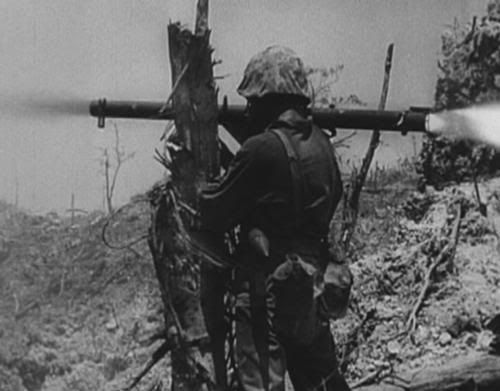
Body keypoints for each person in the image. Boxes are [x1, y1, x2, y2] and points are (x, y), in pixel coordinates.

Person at [199, 46, 350, 391]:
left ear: (267, 101)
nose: (249, 108)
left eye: (253, 101)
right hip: (312, 287)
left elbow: (214, 212)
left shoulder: (261, 149)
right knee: (323, 384)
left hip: (265, 291)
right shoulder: (323, 147)